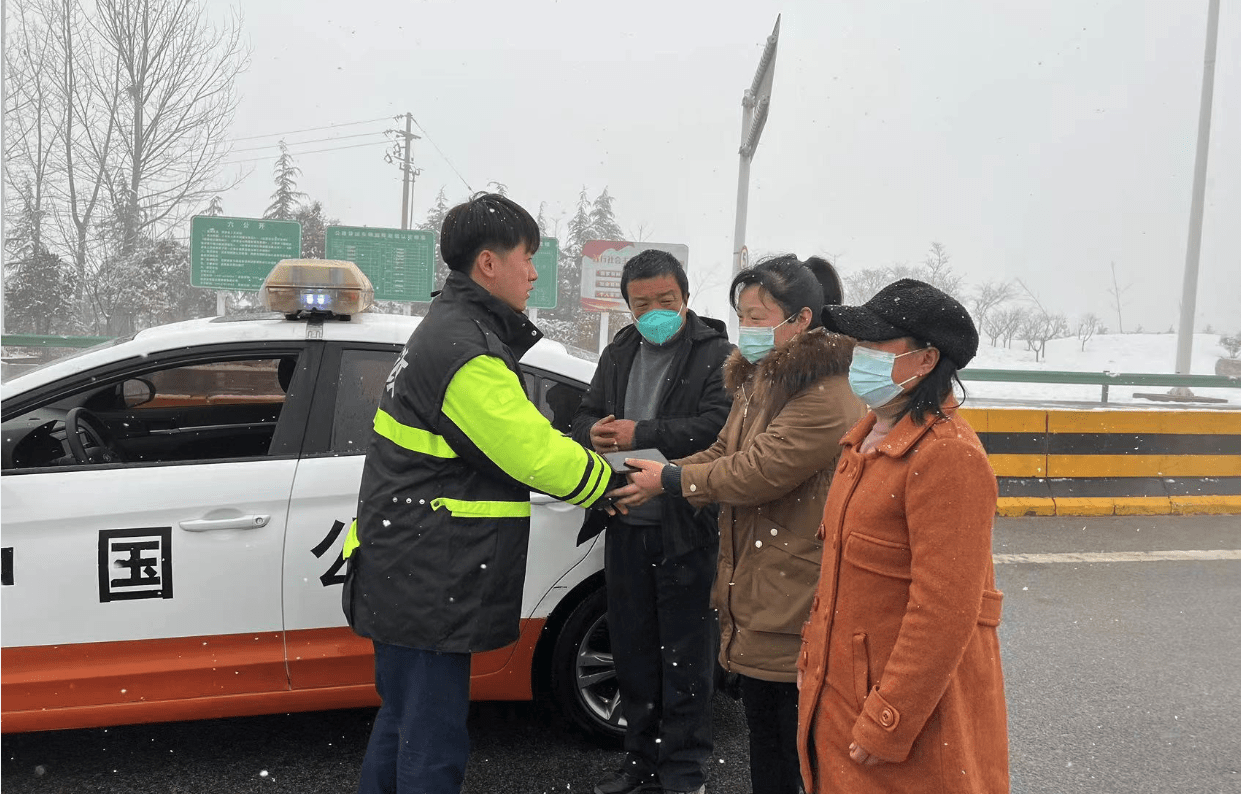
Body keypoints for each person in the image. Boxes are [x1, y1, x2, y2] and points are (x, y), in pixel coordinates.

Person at [341, 193, 617, 794]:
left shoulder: (445, 332)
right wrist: (611, 484)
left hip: (408, 569)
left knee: (405, 722)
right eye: (528, 257)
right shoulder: (465, 350)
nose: (535, 272)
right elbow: (529, 451)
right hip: (433, 576)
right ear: (489, 264)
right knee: (432, 744)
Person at [616, 255, 866, 794]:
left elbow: (758, 472)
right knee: (766, 732)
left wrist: (672, 481)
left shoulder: (826, 393)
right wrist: (667, 475)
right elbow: (721, 448)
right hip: (759, 578)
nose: (747, 329)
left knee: (794, 739)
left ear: (799, 320)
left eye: (758, 316)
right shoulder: (760, 380)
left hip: (796, 583)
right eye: (742, 315)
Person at [796, 279, 1009, 794]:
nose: (859, 358)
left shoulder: (947, 457)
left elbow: (944, 610)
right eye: (859, 346)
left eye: (876, 347)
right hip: (842, 696)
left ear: (926, 360)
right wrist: (812, 661)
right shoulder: (864, 441)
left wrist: (891, 714)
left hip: (904, 722)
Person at [571, 249, 733, 794]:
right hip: (624, 525)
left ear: (685, 297)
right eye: (643, 304)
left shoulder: (716, 354)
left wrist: (642, 432)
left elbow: (718, 427)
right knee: (634, 653)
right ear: (628, 308)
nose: (656, 311)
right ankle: (639, 762)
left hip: (684, 527)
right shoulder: (618, 352)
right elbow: (585, 411)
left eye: (666, 300)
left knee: (686, 658)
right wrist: (590, 429)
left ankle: (684, 771)